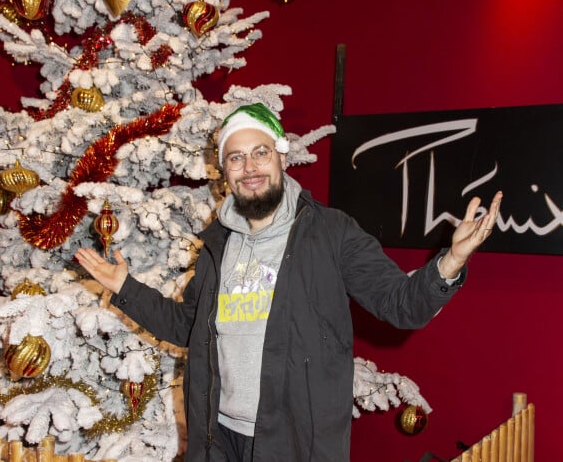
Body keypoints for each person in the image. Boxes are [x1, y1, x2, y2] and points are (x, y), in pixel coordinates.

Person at [75, 102, 502, 462]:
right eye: (236, 157)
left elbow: (401, 304)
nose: (249, 167)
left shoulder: (332, 233)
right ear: (224, 170)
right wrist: (125, 287)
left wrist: (451, 261)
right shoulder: (217, 244)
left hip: (295, 442)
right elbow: (189, 327)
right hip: (218, 436)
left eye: (260, 152)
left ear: (281, 156)